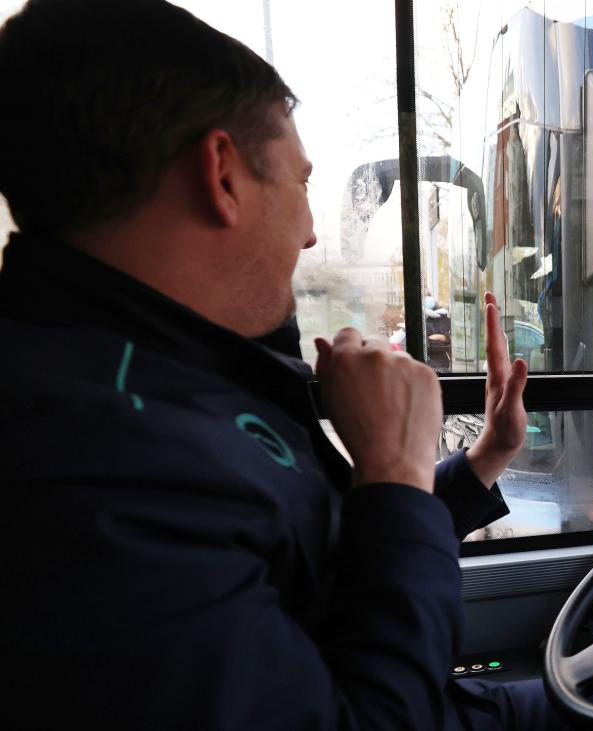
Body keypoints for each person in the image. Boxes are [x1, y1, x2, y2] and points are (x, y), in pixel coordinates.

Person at [0, 1, 556, 728]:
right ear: (222, 173)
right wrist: (390, 467)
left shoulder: (163, 371)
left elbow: (320, 555)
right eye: (299, 183)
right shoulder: (93, 467)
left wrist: (477, 461)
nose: (311, 230)